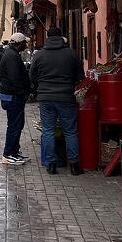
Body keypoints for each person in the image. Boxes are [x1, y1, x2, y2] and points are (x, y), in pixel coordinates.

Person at [30, 26, 85, 175]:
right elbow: (80, 76)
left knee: (48, 131)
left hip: (45, 98)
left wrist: (41, 86)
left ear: (48, 37)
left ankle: (51, 164)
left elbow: (32, 76)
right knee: (70, 131)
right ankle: (74, 165)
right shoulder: (70, 54)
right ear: (61, 37)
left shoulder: (39, 55)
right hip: (66, 97)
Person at [0, 32, 31, 166]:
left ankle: (14, 151)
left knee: (17, 124)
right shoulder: (12, 56)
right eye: (24, 43)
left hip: (12, 95)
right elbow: (15, 78)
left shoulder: (11, 54)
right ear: (19, 43)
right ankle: (9, 153)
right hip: (13, 97)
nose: (26, 45)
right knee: (14, 125)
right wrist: (22, 92)